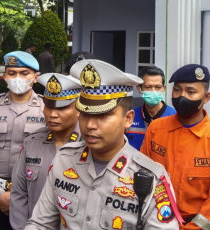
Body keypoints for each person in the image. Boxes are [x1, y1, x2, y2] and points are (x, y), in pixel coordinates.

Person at [25, 59, 181, 229]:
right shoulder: (63, 160)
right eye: (85, 114)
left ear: (128, 119)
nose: (90, 125)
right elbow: (40, 224)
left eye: (103, 115)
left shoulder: (151, 178)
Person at [141, 64, 210, 230]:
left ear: (206, 97)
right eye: (177, 90)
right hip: (153, 222)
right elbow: (142, 174)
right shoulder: (156, 129)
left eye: (191, 92)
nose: (182, 96)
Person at [0, 51, 45, 230]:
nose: (17, 78)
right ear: (4, 77)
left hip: (34, 195)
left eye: (24, 73)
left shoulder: (46, 109)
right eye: (12, 73)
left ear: (35, 77)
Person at [9, 73, 82, 229]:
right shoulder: (31, 143)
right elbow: (18, 194)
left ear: (79, 108)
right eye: (49, 106)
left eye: (62, 107)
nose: (53, 114)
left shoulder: (89, 146)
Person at [126, 66, 176, 150]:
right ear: (139, 89)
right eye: (148, 87)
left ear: (164, 89)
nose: (153, 91)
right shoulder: (130, 117)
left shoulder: (175, 117)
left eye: (158, 87)